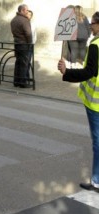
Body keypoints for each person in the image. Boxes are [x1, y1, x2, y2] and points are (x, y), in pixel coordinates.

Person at [57, 11, 99, 192]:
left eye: (93, 23)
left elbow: (89, 72)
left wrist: (67, 72)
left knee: (98, 142)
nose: (90, 26)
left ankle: (97, 180)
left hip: (95, 103)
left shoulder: (96, 45)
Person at [10, 4, 33, 88]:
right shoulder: (24, 20)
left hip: (17, 43)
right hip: (24, 44)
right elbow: (28, 34)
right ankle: (23, 82)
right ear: (22, 10)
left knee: (18, 62)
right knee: (24, 63)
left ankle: (16, 81)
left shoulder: (13, 20)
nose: (27, 12)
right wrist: (30, 43)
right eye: (27, 10)